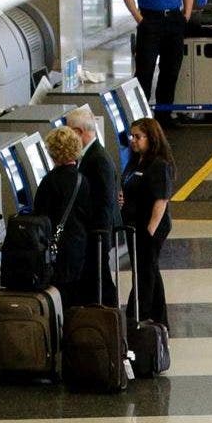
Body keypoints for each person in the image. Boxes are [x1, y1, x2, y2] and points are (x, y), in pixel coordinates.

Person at [27, 127, 99, 317]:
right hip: (77, 246)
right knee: (75, 297)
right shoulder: (82, 180)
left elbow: (40, 218)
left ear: (53, 152)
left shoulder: (49, 182)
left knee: (56, 297)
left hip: (55, 250)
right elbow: (89, 214)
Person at [121, 118, 175, 326]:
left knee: (144, 271)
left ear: (151, 139)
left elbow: (161, 200)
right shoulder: (136, 161)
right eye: (132, 136)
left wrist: (150, 230)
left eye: (138, 137)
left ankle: (138, 314)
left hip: (149, 227)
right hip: (135, 225)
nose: (133, 141)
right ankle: (160, 318)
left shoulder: (158, 165)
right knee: (149, 268)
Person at [66, 107, 123, 301]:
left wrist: (100, 237)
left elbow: (105, 202)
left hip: (97, 236)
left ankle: (110, 322)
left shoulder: (97, 159)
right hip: (94, 235)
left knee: (102, 282)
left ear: (78, 132)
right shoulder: (92, 156)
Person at [123, 0, 186, 107]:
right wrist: (140, 20)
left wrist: (186, 16)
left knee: (171, 71)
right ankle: (141, 117)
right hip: (149, 19)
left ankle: (164, 117)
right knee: (144, 71)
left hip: (174, 19)